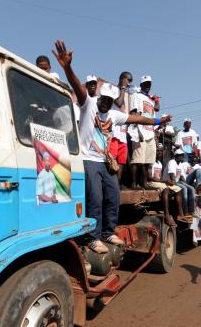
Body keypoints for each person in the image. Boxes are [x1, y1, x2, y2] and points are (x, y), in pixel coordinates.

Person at [52, 40, 171, 253]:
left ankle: (108, 232)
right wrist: (67, 67)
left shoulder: (114, 115)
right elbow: (77, 86)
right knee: (95, 198)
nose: (106, 102)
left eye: (109, 99)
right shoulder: (88, 105)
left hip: (107, 162)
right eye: (103, 98)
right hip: (89, 160)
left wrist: (157, 122)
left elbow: (136, 119)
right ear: (98, 97)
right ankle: (93, 237)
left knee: (113, 197)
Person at [130, 75, 160, 189]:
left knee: (148, 161)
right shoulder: (136, 96)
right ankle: (134, 183)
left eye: (149, 84)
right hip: (140, 131)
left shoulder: (151, 100)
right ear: (141, 85)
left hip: (150, 132)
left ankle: (144, 182)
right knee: (137, 160)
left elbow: (157, 109)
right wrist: (136, 129)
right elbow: (133, 113)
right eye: (146, 84)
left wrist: (156, 100)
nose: (148, 86)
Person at [147, 144, 184, 227]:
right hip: (151, 182)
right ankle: (166, 215)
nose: (159, 152)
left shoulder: (159, 163)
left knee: (178, 189)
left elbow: (161, 177)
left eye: (160, 151)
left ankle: (180, 214)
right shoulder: (150, 162)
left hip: (159, 182)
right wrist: (164, 181)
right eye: (157, 151)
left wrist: (167, 181)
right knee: (165, 188)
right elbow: (149, 177)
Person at [110, 72, 133, 187]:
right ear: (122, 79)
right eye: (128, 80)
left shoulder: (128, 95)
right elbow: (118, 103)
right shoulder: (113, 90)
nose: (129, 84)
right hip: (114, 133)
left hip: (123, 134)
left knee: (122, 161)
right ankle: (112, 183)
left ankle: (118, 184)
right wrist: (123, 88)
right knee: (112, 159)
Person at [168, 149, 195, 218]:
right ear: (176, 156)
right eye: (181, 155)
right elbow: (172, 177)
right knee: (184, 188)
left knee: (191, 188)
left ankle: (192, 211)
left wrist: (187, 184)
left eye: (182, 155)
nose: (182, 157)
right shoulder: (172, 162)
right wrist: (182, 185)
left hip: (177, 181)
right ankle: (185, 211)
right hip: (170, 182)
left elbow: (182, 177)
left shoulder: (179, 164)